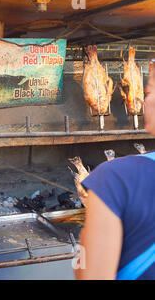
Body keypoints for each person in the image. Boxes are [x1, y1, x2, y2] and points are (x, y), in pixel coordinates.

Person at [75, 56, 155, 280]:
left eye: (148, 92)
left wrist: (81, 248)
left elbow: (90, 275)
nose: (141, 99)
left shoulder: (117, 176)